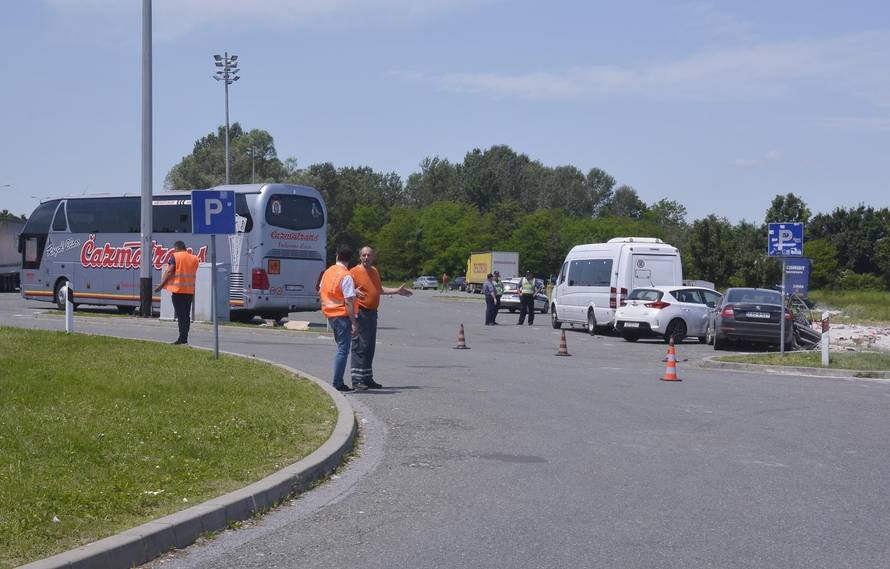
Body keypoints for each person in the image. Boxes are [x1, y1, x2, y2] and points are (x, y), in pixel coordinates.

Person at [349, 246, 412, 390]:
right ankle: (357, 380)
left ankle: (367, 378)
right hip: (360, 312)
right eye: (363, 255)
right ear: (360, 257)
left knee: (370, 346)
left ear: (373, 257)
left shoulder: (374, 271)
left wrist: (397, 291)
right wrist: (353, 291)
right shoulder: (354, 271)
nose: (366, 257)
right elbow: (344, 290)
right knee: (360, 345)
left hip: (372, 313)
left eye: (368, 255)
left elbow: (379, 290)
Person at [319, 245, 360, 392]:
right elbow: (349, 301)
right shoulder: (346, 275)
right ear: (350, 259)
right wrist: (354, 322)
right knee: (343, 350)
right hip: (342, 316)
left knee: (340, 348)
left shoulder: (328, 272)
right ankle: (338, 383)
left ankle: (338, 381)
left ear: (337, 255)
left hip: (330, 314)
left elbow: (322, 289)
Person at [154, 240, 200, 345]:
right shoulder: (194, 258)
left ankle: (182, 338)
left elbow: (170, 271)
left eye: (174, 249)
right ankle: (184, 337)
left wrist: (161, 286)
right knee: (186, 315)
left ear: (176, 248)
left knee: (181, 315)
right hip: (189, 292)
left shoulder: (175, 256)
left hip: (178, 291)